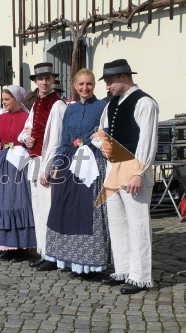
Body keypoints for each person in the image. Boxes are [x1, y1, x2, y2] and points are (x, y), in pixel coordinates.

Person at [96, 59, 158, 294]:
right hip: (114, 169)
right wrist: (103, 144)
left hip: (133, 170)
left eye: (110, 81)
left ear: (124, 77)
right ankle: (122, 269)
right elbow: (102, 130)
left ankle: (140, 276)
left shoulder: (145, 102)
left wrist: (138, 173)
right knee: (118, 222)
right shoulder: (112, 104)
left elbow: (147, 141)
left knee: (138, 224)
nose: (107, 86)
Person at [44, 69, 110, 277]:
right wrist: (57, 164)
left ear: (94, 85)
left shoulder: (102, 107)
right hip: (69, 162)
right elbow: (64, 139)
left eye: (89, 84)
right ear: (74, 85)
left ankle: (90, 262)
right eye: (81, 84)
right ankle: (69, 258)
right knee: (65, 209)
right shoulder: (69, 110)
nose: (85, 88)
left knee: (87, 211)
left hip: (92, 162)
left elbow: (105, 134)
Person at [17, 62, 67, 271]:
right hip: (34, 159)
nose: (44, 82)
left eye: (48, 79)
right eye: (40, 79)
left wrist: (47, 168)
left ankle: (53, 254)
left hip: (46, 161)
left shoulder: (57, 105)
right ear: (36, 82)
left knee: (48, 209)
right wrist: (25, 139)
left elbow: (55, 139)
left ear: (53, 80)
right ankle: (43, 251)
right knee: (38, 209)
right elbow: (26, 129)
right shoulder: (37, 103)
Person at [0, 85, 35, 262]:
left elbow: (31, 141)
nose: (4, 103)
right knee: (0, 203)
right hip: (2, 163)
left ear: (18, 100)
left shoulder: (27, 118)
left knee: (19, 201)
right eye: (2, 100)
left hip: (19, 163)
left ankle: (21, 246)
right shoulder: (0, 119)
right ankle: (3, 244)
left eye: (7, 99)